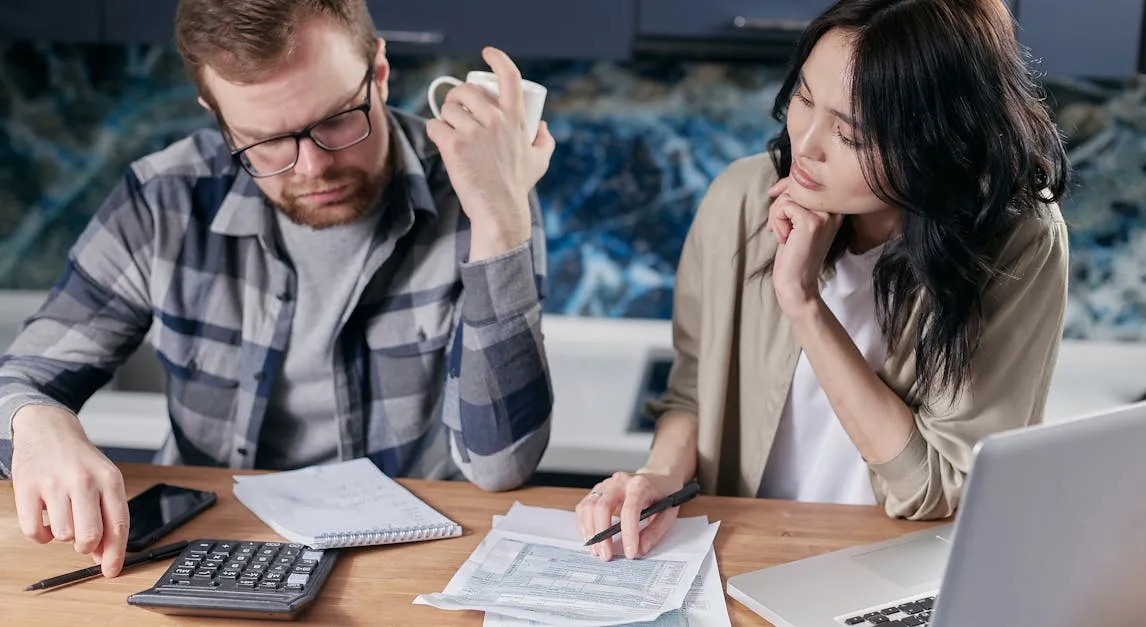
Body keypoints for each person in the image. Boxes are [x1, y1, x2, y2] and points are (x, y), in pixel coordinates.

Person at [0, 0, 555, 578]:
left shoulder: (485, 190)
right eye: (263, 141)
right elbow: (25, 378)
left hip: (404, 558)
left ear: (381, 73)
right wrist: (36, 421)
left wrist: (500, 220)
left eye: (338, 119)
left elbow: (501, 466)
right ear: (216, 116)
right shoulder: (165, 198)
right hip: (206, 548)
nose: (312, 167)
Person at [576, 0, 1070, 561]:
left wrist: (802, 300)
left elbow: (935, 488)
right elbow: (695, 389)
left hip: (900, 569)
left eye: (851, 134)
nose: (805, 146)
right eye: (804, 99)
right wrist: (659, 477)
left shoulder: (1014, 242)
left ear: (933, 140)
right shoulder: (742, 198)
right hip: (746, 554)